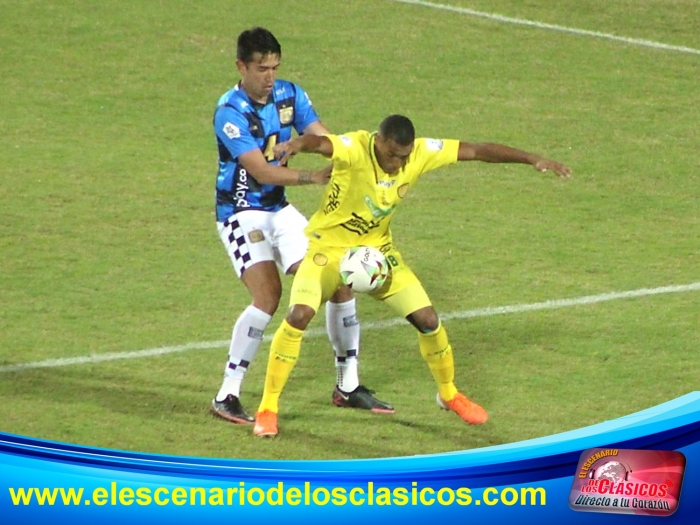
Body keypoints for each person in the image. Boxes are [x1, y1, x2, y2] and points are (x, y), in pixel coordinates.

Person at [252, 114, 572, 437]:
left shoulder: (419, 153)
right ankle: (268, 408)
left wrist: (532, 159)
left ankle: (449, 394)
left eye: (404, 157)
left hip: (378, 255)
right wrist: (297, 144)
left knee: (428, 320)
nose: (398, 164)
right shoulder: (355, 147)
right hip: (328, 251)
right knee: (299, 315)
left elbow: (475, 150)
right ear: (378, 141)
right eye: (392, 155)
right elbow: (321, 144)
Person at [211, 27, 394, 425]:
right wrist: (312, 177)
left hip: (279, 210)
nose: (270, 77)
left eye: (274, 67)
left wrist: (353, 158)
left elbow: (323, 137)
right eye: (261, 69)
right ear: (241, 66)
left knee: (339, 278)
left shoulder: (290, 95)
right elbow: (261, 172)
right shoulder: (230, 112)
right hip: (241, 213)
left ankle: (347, 385)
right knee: (268, 296)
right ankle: (227, 393)